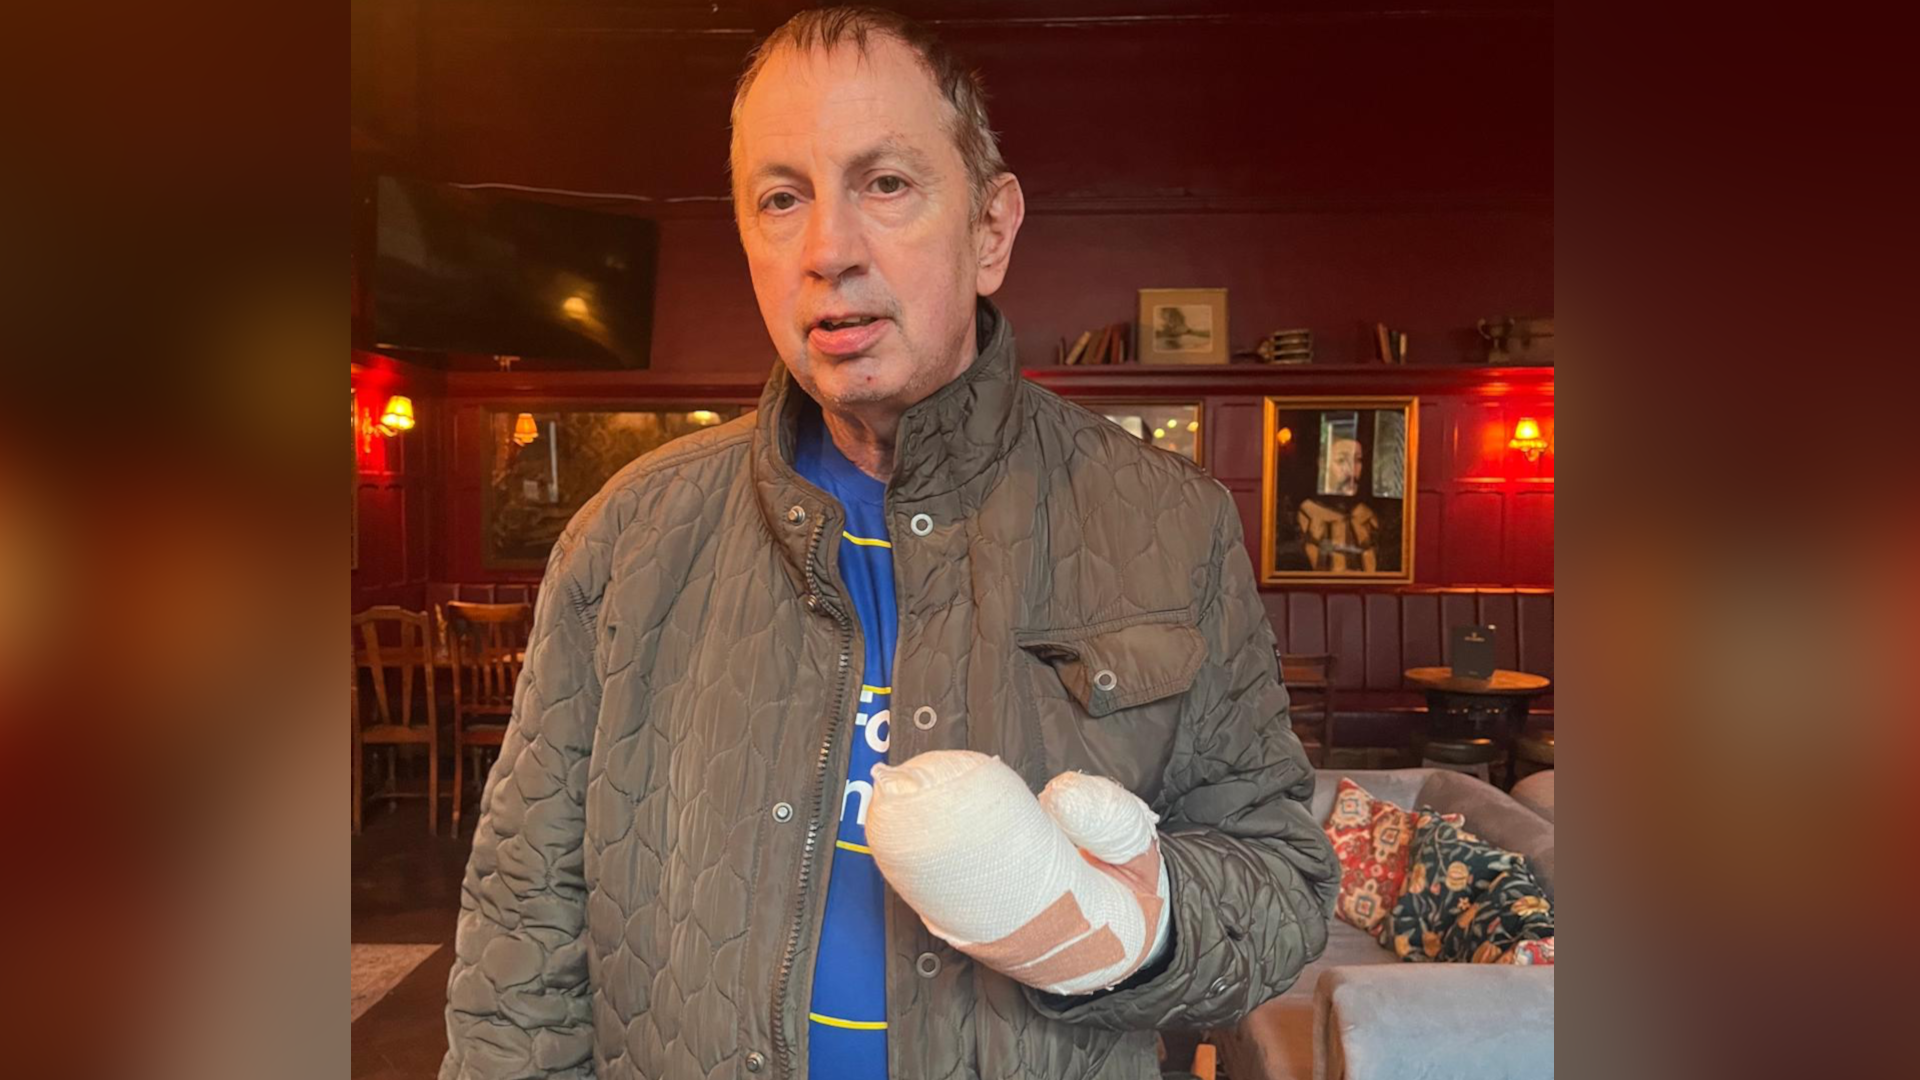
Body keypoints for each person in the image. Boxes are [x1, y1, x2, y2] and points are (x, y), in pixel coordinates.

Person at [439, 9, 1337, 1080]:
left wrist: (1130, 926)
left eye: (886, 185)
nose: (827, 250)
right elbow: (521, 928)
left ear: (991, 231)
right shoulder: (628, 535)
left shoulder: (1168, 520)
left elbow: (1280, 876)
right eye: (782, 198)